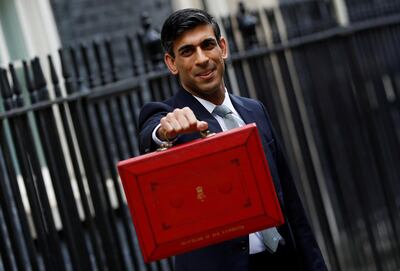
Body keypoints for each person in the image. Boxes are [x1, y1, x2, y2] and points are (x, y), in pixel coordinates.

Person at [138, 8, 327, 271]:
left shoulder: (254, 110)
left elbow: (292, 206)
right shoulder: (169, 118)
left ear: (223, 47)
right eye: (188, 51)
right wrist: (164, 133)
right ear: (171, 63)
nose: (202, 59)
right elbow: (151, 134)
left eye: (208, 45)